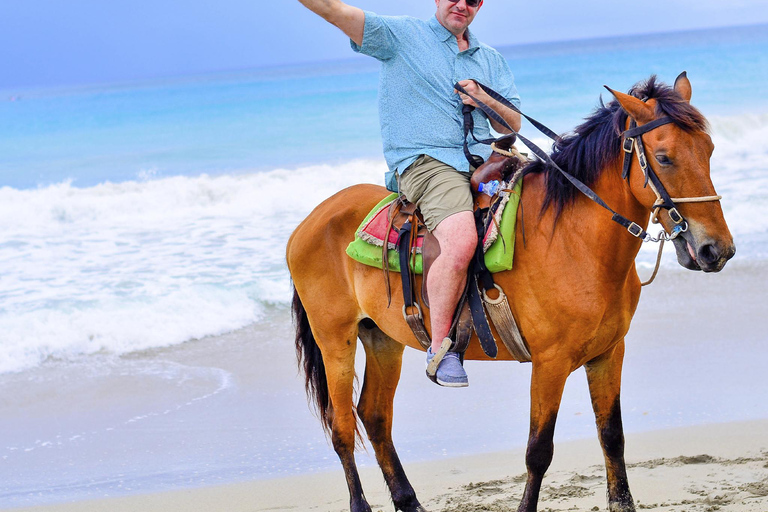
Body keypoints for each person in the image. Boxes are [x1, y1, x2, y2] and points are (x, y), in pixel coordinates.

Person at [298, 0, 522, 387]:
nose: (461, 5)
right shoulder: (400, 36)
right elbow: (336, 12)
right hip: (428, 163)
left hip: (486, 163)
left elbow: (512, 122)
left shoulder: (490, 59)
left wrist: (483, 98)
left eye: (472, 0)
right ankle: (441, 349)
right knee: (460, 240)